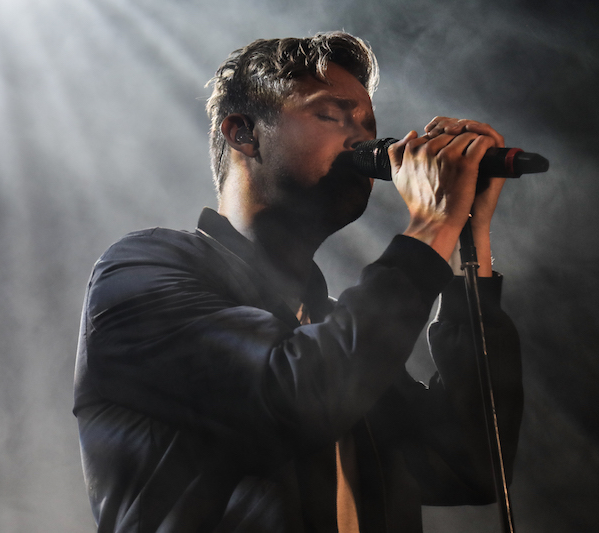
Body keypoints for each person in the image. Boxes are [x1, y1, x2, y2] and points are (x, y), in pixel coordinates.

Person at [73, 31, 524, 533]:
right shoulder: (141, 272)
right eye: (331, 115)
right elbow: (296, 396)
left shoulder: (330, 326)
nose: (362, 139)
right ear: (243, 133)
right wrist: (431, 225)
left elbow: (468, 464)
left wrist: (465, 242)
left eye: (368, 124)